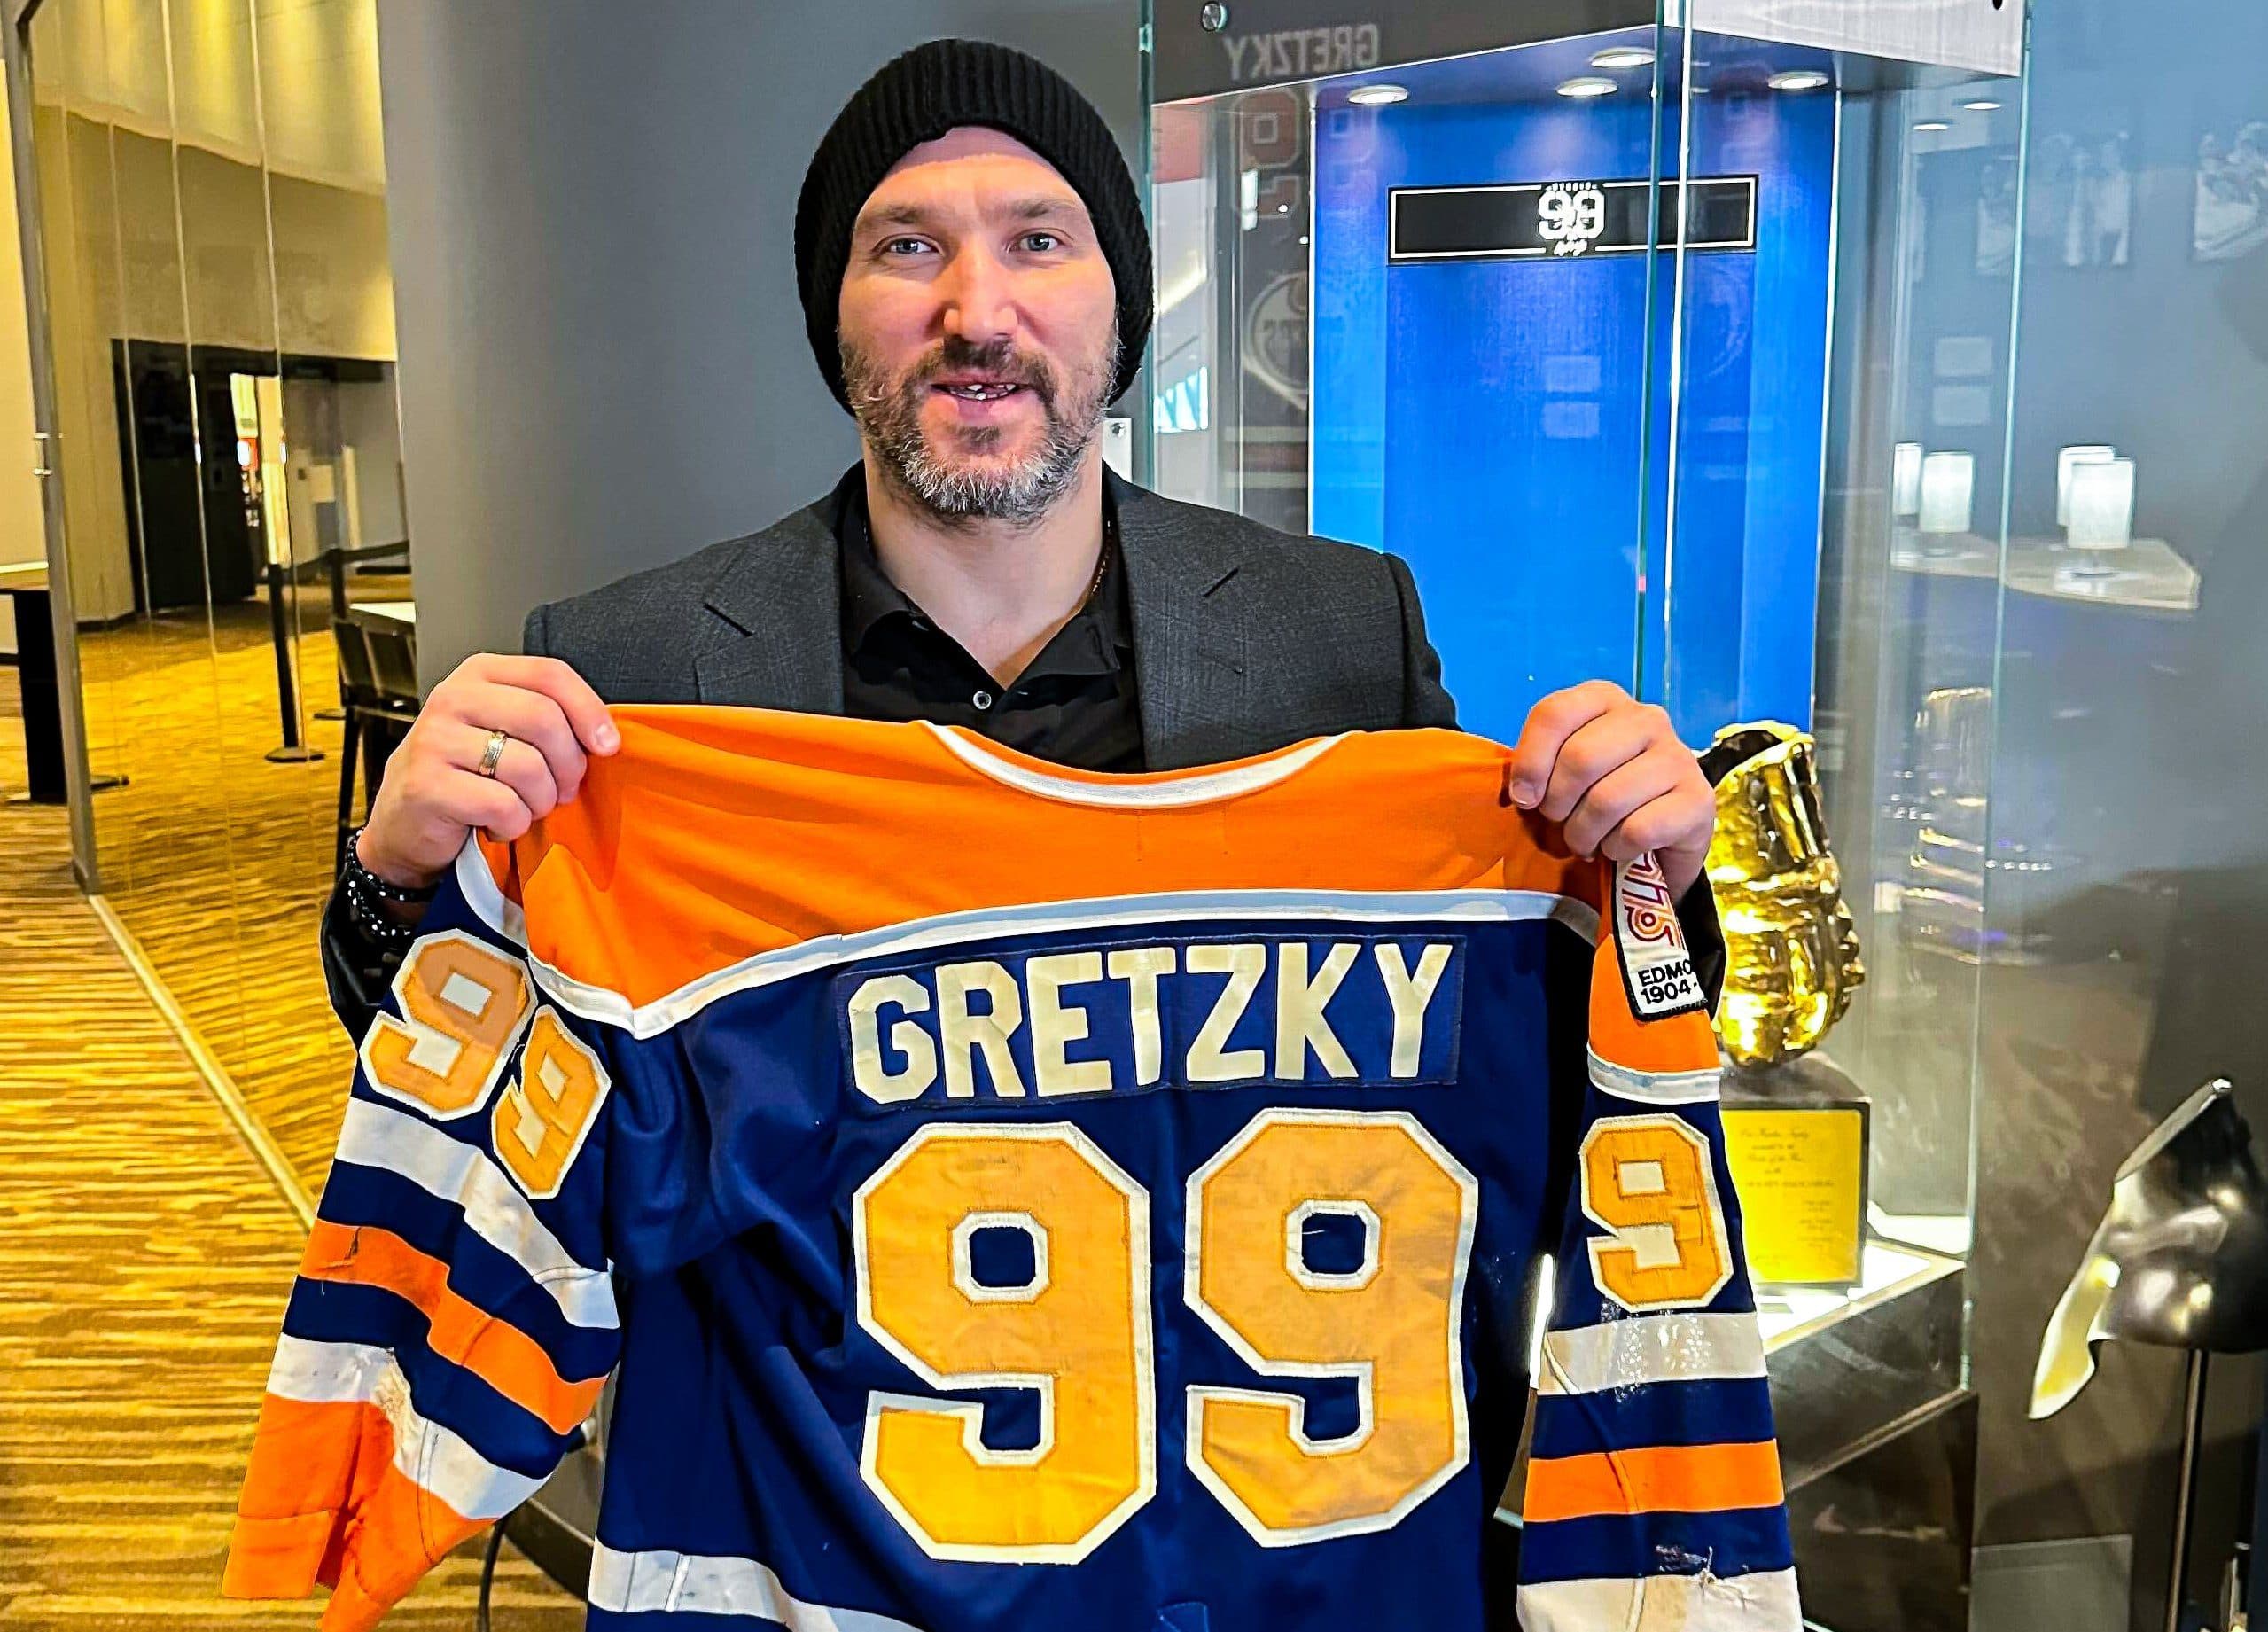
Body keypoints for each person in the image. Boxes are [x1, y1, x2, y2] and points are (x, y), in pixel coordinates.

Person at [321, 38, 1722, 1041]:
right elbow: (454, 1075)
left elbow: (1534, 1025)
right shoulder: (626, 676)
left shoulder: (1341, 636)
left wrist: (1648, 873)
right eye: (906, 247)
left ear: (1120, 307)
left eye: (1040, 240)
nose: (977, 313)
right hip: (791, 1390)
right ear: (834, 315)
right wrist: (394, 880)